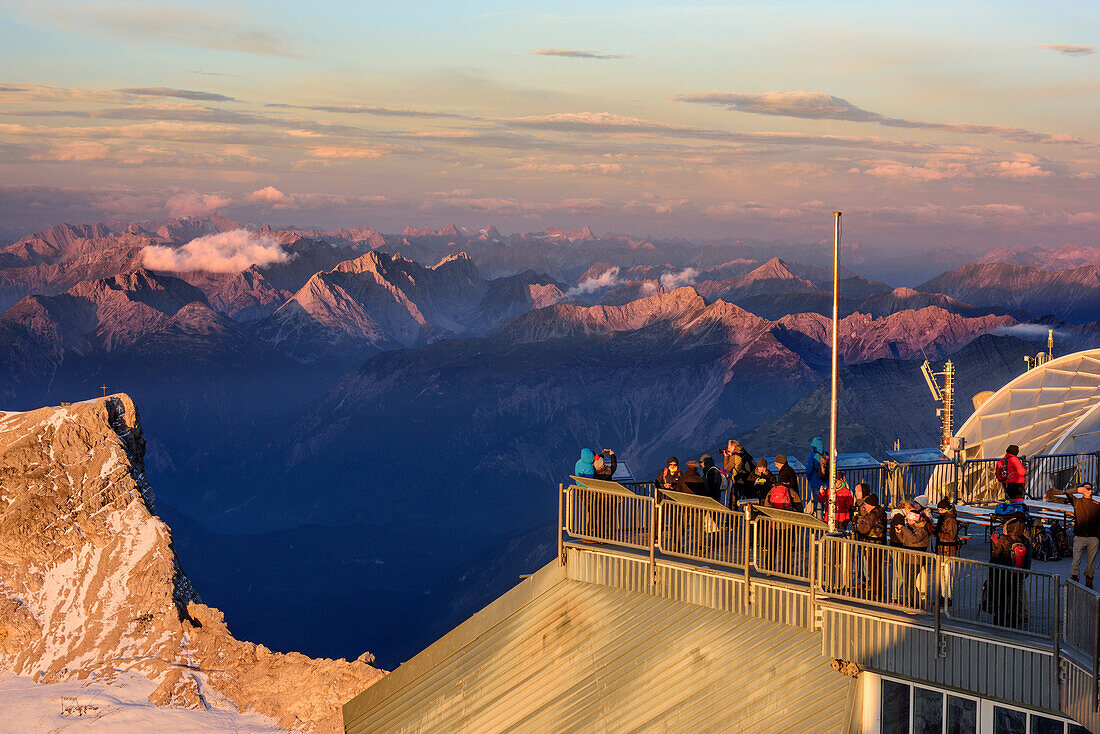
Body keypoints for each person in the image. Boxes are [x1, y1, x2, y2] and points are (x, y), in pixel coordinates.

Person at [989, 514, 1031, 628]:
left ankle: (1000, 620)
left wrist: (994, 543)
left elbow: (996, 556)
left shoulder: (1004, 539)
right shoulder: (1024, 540)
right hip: (1017, 573)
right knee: (1014, 598)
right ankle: (1014, 620)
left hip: (1002, 574)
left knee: (1001, 598)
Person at [895, 504, 933, 608]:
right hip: (907, 558)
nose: (907, 521)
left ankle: (915, 603)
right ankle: (911, 602)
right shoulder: (911, 527)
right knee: (907, 583)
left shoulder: (922, 530)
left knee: (911, 583)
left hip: (915, 559)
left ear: (915, 520)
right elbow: (904, 540)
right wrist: (899, 532)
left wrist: (903, 528)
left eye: (909, 520)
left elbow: (912, 539)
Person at [1065, 481, 1099, 588]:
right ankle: (1075, 577)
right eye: (1086, 488)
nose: (1088, 490)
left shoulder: (1096, 504)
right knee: (1076, 560)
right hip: (1079, 536)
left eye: (1089, 488)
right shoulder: (1077, 501)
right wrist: (1077, 489)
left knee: (1091, 562)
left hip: (1093, 537)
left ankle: (1089, 579)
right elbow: (1067, 493)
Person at [854, 492, 887, 601]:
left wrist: (858, 524)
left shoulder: (872, 515)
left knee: (873, 571)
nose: (864, 506)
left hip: (872, 546)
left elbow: (864, 529)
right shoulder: (881, 512)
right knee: (877, 570)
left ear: (871, 505)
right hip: (879, 545)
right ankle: (877, 592)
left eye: (866, 505)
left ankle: (875, 593)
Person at [935, 498, 960, 612]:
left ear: (946, 509)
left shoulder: (950, 519)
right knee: (942, 575)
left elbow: (951, 536)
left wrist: (938, 534)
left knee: (947, 575)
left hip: (948, 550)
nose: (939, 512)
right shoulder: (944, 518)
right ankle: (943, 595)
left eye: (940, 510)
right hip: (942, 549)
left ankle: (947, 596)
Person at [723, 440, 756, 504]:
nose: (728, 448)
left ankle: (733, 514)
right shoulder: (744, 452)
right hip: (748, 480)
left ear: (733, 446)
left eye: (729, 446)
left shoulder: (734, 455)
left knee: (733, 502)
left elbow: (727, 469)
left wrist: (726, 457)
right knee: (747, 502)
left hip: (739, 481)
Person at [806, 436, 829, 512]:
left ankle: (820, 519)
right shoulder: (826, 455)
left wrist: (809, 478)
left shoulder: (812, 456)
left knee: (818, 502)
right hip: (827, 483)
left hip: (816, 483)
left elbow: (809, 470)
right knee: (828, 502)